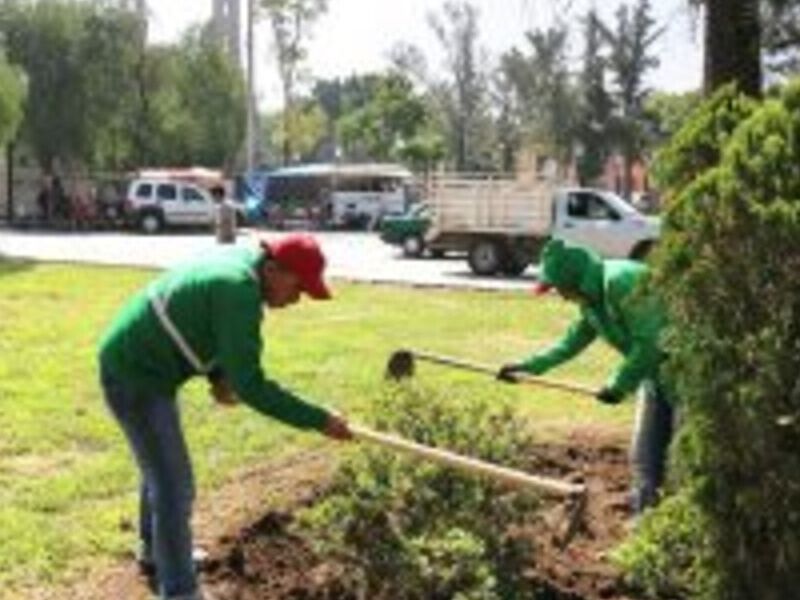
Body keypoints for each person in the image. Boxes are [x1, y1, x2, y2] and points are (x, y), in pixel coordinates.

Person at [98, 234, 353, 600]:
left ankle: (156, 552)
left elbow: (203, 317)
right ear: (273, 269)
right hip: (135, 376)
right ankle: (180, 590)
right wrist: (319, 419)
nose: (297, 300)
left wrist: (218, 374)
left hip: (139, 363)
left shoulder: (243, 263)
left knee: (160, 470)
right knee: (174, 484)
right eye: (297, 289)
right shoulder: (238, 291)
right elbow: (251, 385)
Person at [497, 238, 673, 516]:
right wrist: (528, 367)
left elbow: (650, 343)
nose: (562, 296)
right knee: (645, 459)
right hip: (653, 379)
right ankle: (647, 528)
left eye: (561, 289)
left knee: (684, 459)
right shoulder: (591, 302)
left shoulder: (619, 282)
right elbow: (571, 343)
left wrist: (618, 384)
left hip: (689, 376)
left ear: (576, 281)